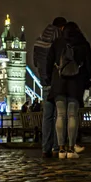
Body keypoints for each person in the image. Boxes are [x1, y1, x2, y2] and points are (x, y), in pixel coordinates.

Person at [47, 21, 91, 159]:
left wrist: (51, 80)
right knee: (72, 115)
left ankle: (61, 150)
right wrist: (85, 82)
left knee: (60, 115)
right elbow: (89, 68)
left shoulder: (57, 42)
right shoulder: (83, 44)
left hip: (58, 84)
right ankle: (71, 149)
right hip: (76, 84)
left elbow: (48, 63)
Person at [34, 16, 67, 157]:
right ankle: (56, 147)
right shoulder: (58, 35)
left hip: (44, 81)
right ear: (62, 27)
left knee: (47, 116)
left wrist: (43, 75)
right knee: (59, 115)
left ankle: (45, 148)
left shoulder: (39, 39)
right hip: (55, 80)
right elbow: (60, 56)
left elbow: (35, 62)